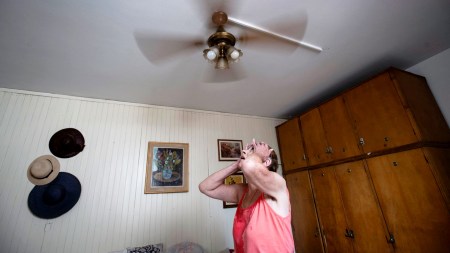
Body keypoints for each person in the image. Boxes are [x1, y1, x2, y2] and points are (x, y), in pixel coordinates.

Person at [199, 139, 295, 253]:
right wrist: (236, 165)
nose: (244, 153)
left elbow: (249, 165)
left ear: (267, 162)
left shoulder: (277, 185)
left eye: (250, 153)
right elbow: (205, 187)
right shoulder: (242, 192)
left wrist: (258, 155)